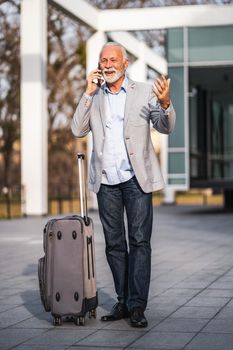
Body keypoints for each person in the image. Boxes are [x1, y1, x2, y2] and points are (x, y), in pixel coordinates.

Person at [71, 42, 176, 328]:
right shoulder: (94, 96)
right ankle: (123, 299)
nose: (107, 64)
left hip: (136, 180)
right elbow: (77, 129)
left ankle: (137, 306)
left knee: (140, 241)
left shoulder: (143, 92)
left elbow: (164, 126)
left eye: (113, 59)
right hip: (107, 182)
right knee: (115, 244)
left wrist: (165, 104)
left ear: (125, 64)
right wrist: (87, 93)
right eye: (103, 60)